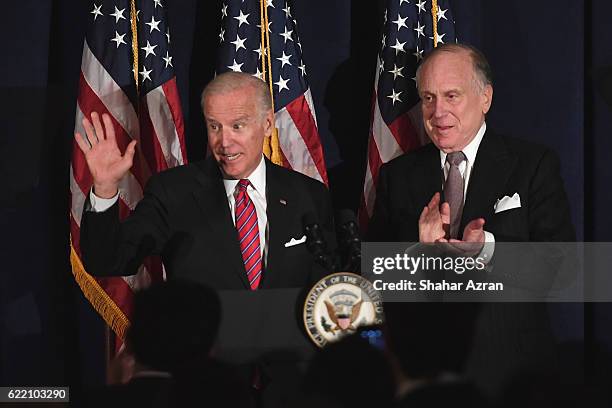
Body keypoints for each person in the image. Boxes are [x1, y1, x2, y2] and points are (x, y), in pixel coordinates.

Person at [366, 44, 575, 396]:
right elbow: (372, 277)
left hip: (510, 376)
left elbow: (564, 267)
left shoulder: (532, 164)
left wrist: (488, 250)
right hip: (422, 378)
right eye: (428, 98)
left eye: (452, 96)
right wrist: (418, 252)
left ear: (485, 98)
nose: (438, 111)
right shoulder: (397, 175)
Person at [76, 72, 335, 290]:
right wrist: (105, 187)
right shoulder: (173, 192)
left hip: (287, 349)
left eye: (237, 126)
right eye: (215, 126)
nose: (224, 142)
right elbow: (108, 261)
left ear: (267, 124)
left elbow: (329, 289)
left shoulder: (308, 195)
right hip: (204, 349)